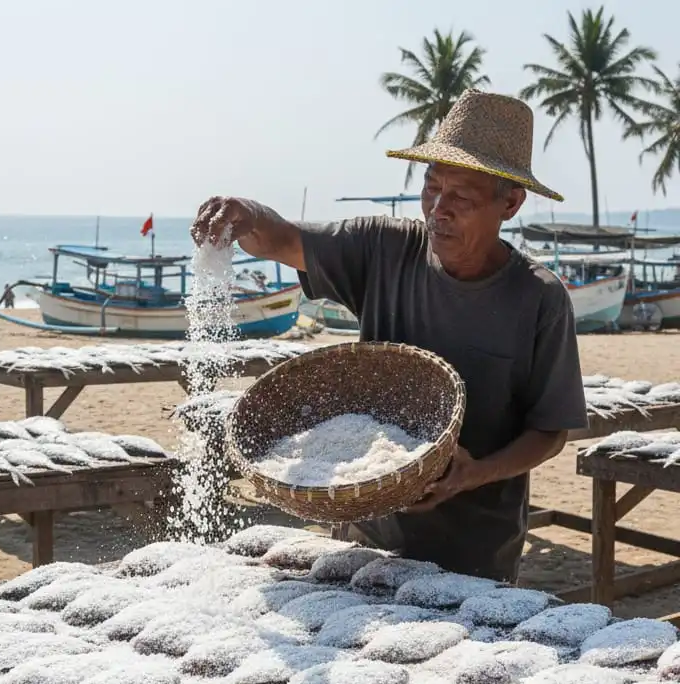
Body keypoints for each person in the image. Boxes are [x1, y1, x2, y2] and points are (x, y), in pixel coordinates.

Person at [192, 90, 586, 583]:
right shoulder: (384, 249)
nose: (438, 209)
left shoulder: (539, 298)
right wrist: (243, 212)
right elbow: (283, 238)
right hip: (365, 541)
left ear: (510, 202)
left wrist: (472, 473)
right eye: (431, 187)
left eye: (461, 197)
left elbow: (550, 432)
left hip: (475, 553)